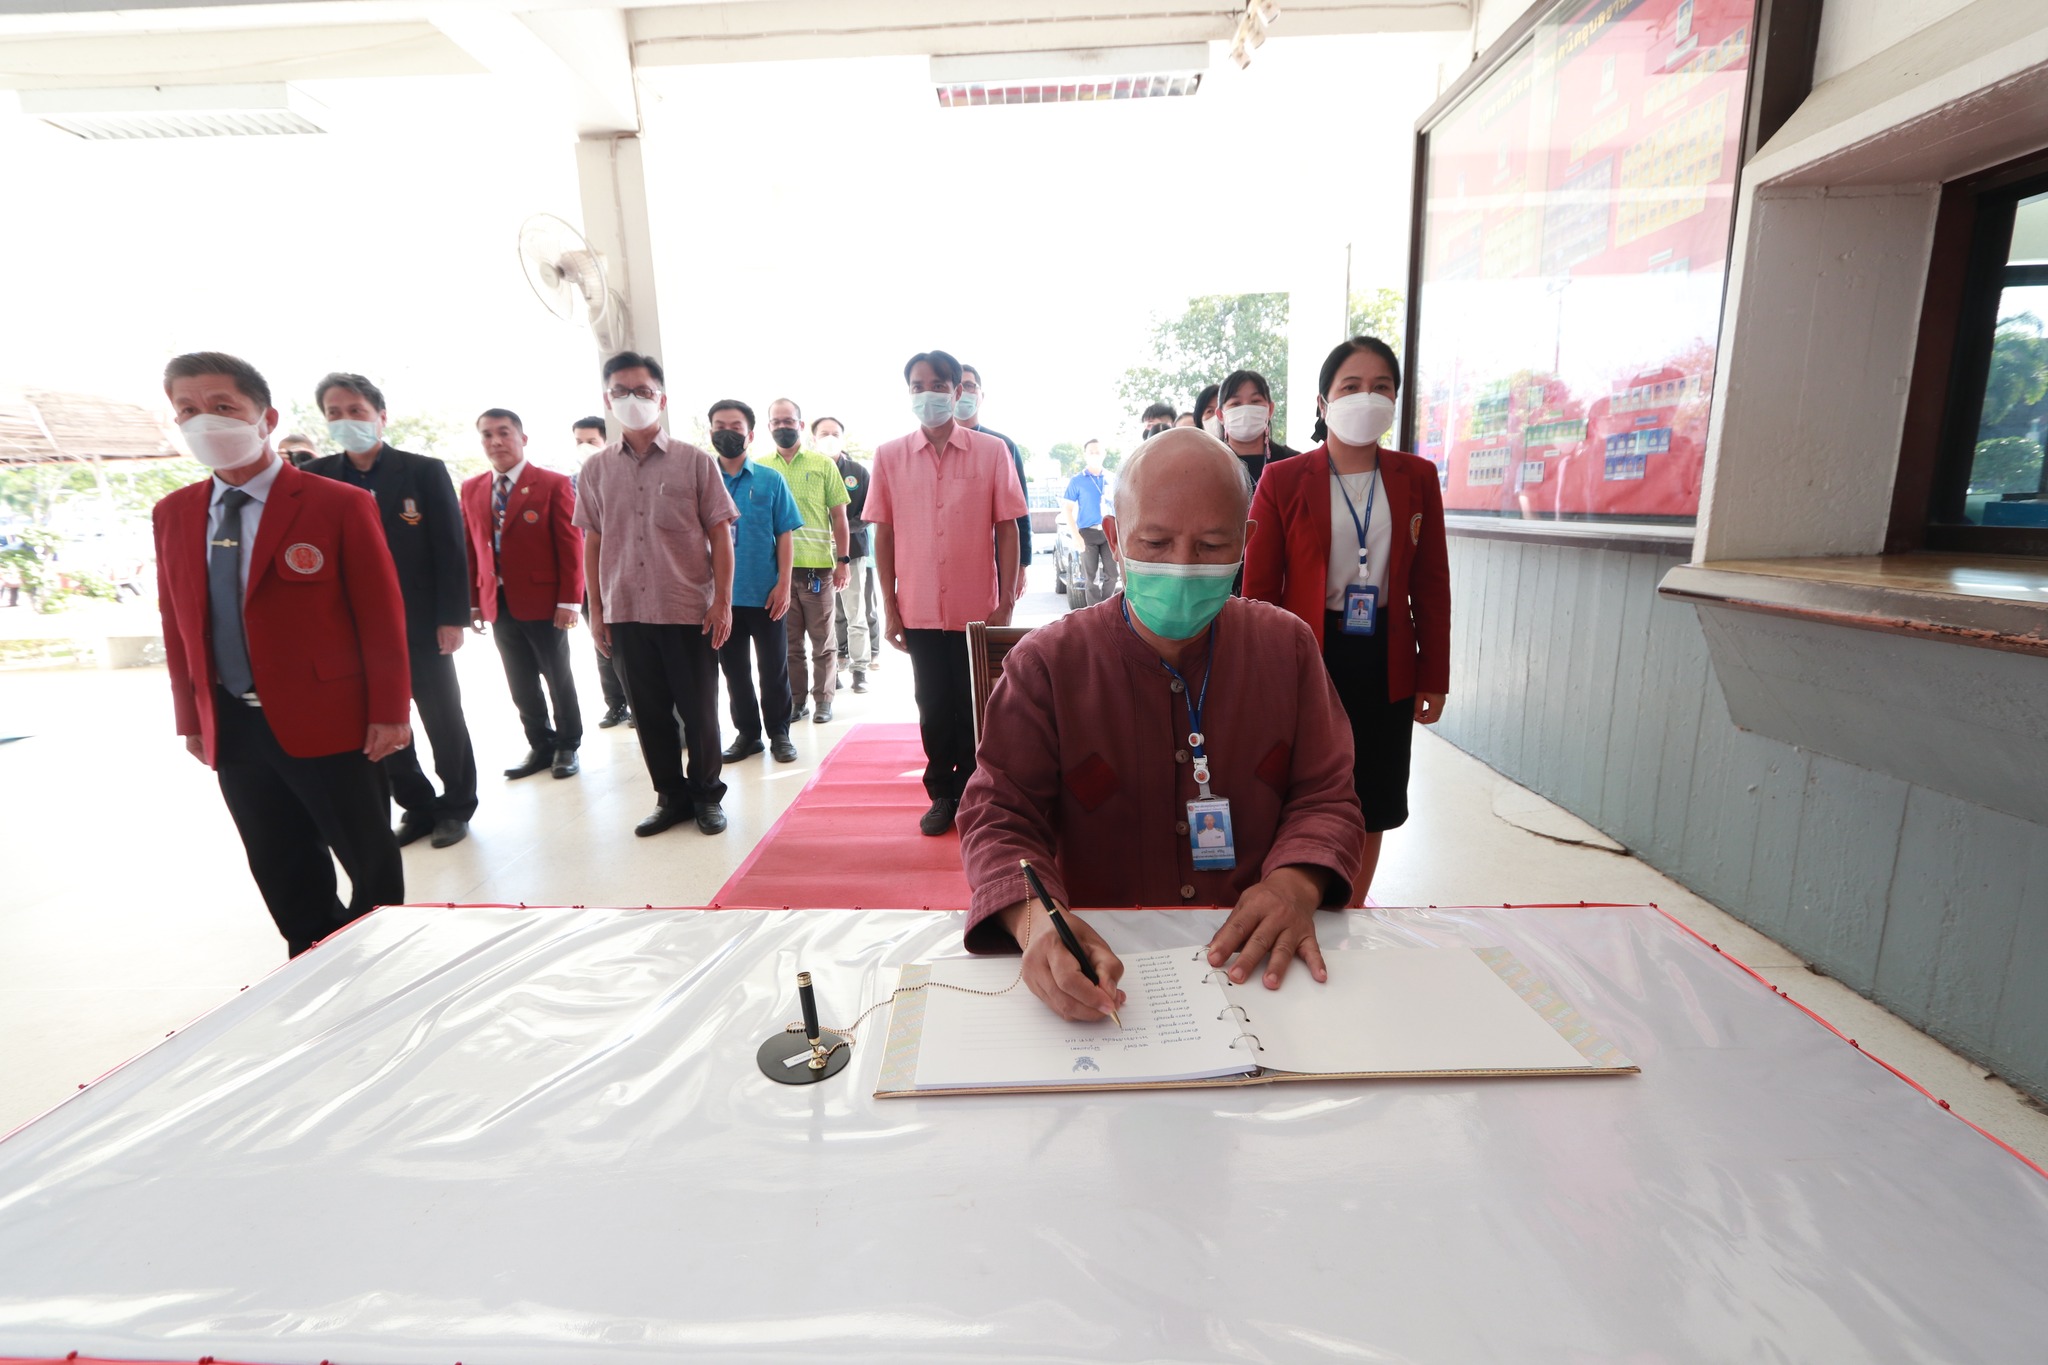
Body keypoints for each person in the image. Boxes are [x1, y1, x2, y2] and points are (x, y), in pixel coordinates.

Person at [955, 428, 1366, 1022]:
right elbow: (998, 815)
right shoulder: (1047, 665)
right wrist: (1034, 922)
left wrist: (1295, 885)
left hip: (1257, 965)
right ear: (1115, 537)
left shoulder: (1287, 649)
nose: (1181, 566)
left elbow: (1326, 794)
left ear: (1245, 542)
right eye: (1155, 542)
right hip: (1103, 966)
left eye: (1211, 545)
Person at [153, 351, 410, 957]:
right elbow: (177, 625)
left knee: (367, 858)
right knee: (279, 863)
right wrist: (192, 718)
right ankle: (313, 964)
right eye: (187, 410)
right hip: (233, 722)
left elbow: (380, 616)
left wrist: (391, 711)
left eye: (223, 406)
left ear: (265, 418)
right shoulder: (174, 513)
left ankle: (387, 962)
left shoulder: (336, 503)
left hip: (332, 717)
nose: (204, 421)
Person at [1245, 335, 1451, 903]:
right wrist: (1261, 672)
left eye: (1381, 387)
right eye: (1351, 386)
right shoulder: (1283, 479)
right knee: (1299, 785)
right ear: (1323, 402)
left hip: (1387, 657)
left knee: (1373, 794)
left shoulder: (1417, 477)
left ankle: (1352, 910)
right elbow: (1258, 591)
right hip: (1308, 652)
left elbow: (1432, 585)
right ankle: (1290, 899)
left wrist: (1433, 675)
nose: (1367, 397)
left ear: (1396, 401)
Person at [304, 372, 477, 849]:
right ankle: (416, 805)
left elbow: (450, 548)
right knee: (381, 717)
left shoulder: (422, 471)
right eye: (334, 413)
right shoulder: (316, 476)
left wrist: (452, 618)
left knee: (442, 716)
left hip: (420, 622)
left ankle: (457, 805)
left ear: (381, 416)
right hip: (356, 630)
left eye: (356, 411)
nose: (346, 420)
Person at [575, 351, 737, 837]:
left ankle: (706, 795)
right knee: (648, 716)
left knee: (699, 712)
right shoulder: (595, 470)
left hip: (687, 609)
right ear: (608, 400)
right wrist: (596, 612)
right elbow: (593, 541)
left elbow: (720, 535)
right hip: (625, 610)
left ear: (661, 399)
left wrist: (722, 602)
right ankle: (670, 798)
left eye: (643, 391)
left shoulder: (694, 461)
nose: (633, 399)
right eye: (621, 391)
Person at [868, 349, 1026, 836]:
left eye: (938, 385)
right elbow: (884, 534)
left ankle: (978, 790)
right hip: (917, 607)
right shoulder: (889, 456)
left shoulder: (992, 451)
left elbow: (1007, 528)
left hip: (975, 608)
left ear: (957, 391)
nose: (928, 394)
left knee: (977, 702)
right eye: (918, 386)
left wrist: (1005, 601)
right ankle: (942, 793)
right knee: (932, 703)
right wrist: (890, 607)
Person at [460, 408, 584, 782]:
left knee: (557, 675)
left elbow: (571, 545)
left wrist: (569, 601)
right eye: (487, 435)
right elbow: (470, 548)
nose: (495, 441)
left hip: (545, 601)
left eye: (504, 432)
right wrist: (473, 601)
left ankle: (567, 744)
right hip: (497, 601)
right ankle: (540, 743)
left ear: (522, 438)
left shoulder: (552, 483)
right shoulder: (472, 488)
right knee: (519, 679)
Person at [709, 399, 803, 765]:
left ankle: (779, 732)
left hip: (765, 593)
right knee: (734, 671)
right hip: (721, 598)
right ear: (710, 432)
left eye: (735, 427)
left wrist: (783, 584)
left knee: (773, 668)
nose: (727, 433)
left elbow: (785, 534)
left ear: (749, 434)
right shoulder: (703, 479)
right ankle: (748, 734)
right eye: (720, 426)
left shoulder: (769, 479)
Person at [763, 398, 851, 724]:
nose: (783, 427)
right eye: (777, 422)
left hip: (817, 569)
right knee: (789, 645)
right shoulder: (761, 468)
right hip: (777, 574)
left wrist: (843, 561)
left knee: (823, 641)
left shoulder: (823, 464)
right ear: (769, 426)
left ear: (800, 425)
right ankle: (797, 701)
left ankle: (824, 700)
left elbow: (839, 517)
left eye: (789, 421)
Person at [571, 415, 631, 730]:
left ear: (606, 442)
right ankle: (616, 705)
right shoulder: (571, 482)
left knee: (629, 648)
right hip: (588, 578)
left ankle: (638, 703)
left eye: (591, 441)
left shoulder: (620, 478)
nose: (584, 447)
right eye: (578, 441)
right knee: (602, 643)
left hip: (621, 577)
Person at [956, 363, 1035, 579]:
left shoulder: (1002, 445)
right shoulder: (935, 448)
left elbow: (1020, 510)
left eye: (969, 386)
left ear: (981, 396)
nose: (963, 392)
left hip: (997, 562)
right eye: (957, 386)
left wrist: (1022, 564)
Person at [817, 415, 875, 693]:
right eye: (823, 434)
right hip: (816, 554)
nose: (829, 438)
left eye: (835, 433)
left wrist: (841, 532)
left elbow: (869, 512)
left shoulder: (857, 472)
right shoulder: (809, 468)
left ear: (842, 437)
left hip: (853, 552)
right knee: (822, 616)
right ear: (813, 438)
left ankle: (859, 669)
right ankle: (831, 670)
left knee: (856, 612)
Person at [1216, 368, 1298, 488]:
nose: (1246, 410)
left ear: (1270, 409)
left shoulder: (1293, 462)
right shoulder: (1210, 464)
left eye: (1255, 401)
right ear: (1220, 415)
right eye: (1236, 403)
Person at [1061, 440, 1119, 605]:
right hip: (1087, 533)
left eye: (1098, 452)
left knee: (1113, 575)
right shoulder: (1077, 480)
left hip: (1109, 533)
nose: (1095, 455)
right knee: (1091, 578)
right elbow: (1067, 509)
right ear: (1085, 455)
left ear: (1104, 454)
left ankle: (1106, 607)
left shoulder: (1113, 478)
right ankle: (1095, 611)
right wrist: (1076, 536)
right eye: (1091, 452)